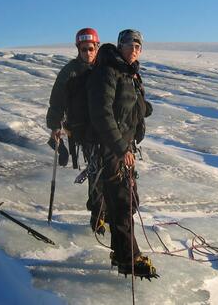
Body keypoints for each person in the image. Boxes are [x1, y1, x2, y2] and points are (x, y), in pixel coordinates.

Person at [87, 29, 157, 279]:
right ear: (119, 45)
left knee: (128, 201)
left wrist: (143, 108)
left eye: (139, 45)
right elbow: (102, 113)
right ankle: (128, 258)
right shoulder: (108, 71)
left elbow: (126, 106)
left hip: (124, 147)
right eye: (130, 44)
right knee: (121, 203)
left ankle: (120, 251)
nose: (135, 48)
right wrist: (119, 147)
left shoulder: (130, 73)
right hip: (111, 148)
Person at [45, 27, 106, 234]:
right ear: (78, 49)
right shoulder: (69, 72)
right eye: (83, 49)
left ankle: (110, 213)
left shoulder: (105, 68)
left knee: (112, 173)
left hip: (107, 129)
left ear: (97, 47)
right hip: (84, 131)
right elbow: (57, 101)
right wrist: (55, 125)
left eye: (90, 48)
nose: (87, 53)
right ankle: (97, 216)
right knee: (96, 172)